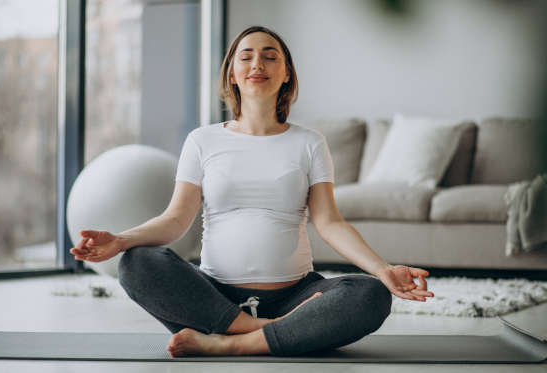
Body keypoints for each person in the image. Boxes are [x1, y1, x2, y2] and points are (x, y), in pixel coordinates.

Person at [69, 25, 434, 357]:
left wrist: (382, 269)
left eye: (270, 56)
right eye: (246, 56)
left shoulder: (310, 143)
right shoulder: (202, 140)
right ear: (233, 72)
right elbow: (176, 219)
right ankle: (265, 333)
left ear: (286, 73)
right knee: (136, 262)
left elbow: (329, 222)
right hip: (213, 298)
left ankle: (228, 343)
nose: (257, 63)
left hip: (296, 298)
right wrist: (120, 240)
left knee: (370, 295)